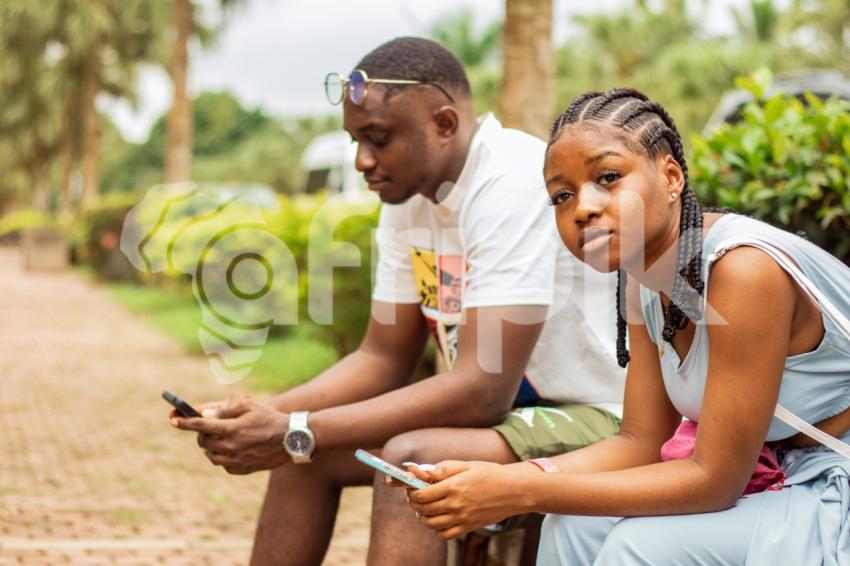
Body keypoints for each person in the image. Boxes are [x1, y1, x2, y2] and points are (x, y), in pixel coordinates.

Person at [169, 39, 625, 565]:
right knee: (307, 459)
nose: (362, 160)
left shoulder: (510, 181)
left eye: (378, 138)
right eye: (355, 140)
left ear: (445, 124)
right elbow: (381, 357)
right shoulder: (409, 201)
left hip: (600, 416)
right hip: (514, 418)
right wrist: (265, 416)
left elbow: (482, 391)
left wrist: (298, 428)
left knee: (409, 460)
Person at [401, 87, 850, 565]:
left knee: (636, 546)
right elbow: (640, 441)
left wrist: (523, 489)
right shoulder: (642, 282)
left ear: (671, 176)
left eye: (608, 177)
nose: (583, 208)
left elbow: (715, 480)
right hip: (788, 478)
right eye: (561, 195)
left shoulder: (743, 271)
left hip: (832, 485)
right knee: (572, 525)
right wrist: (518, 475)